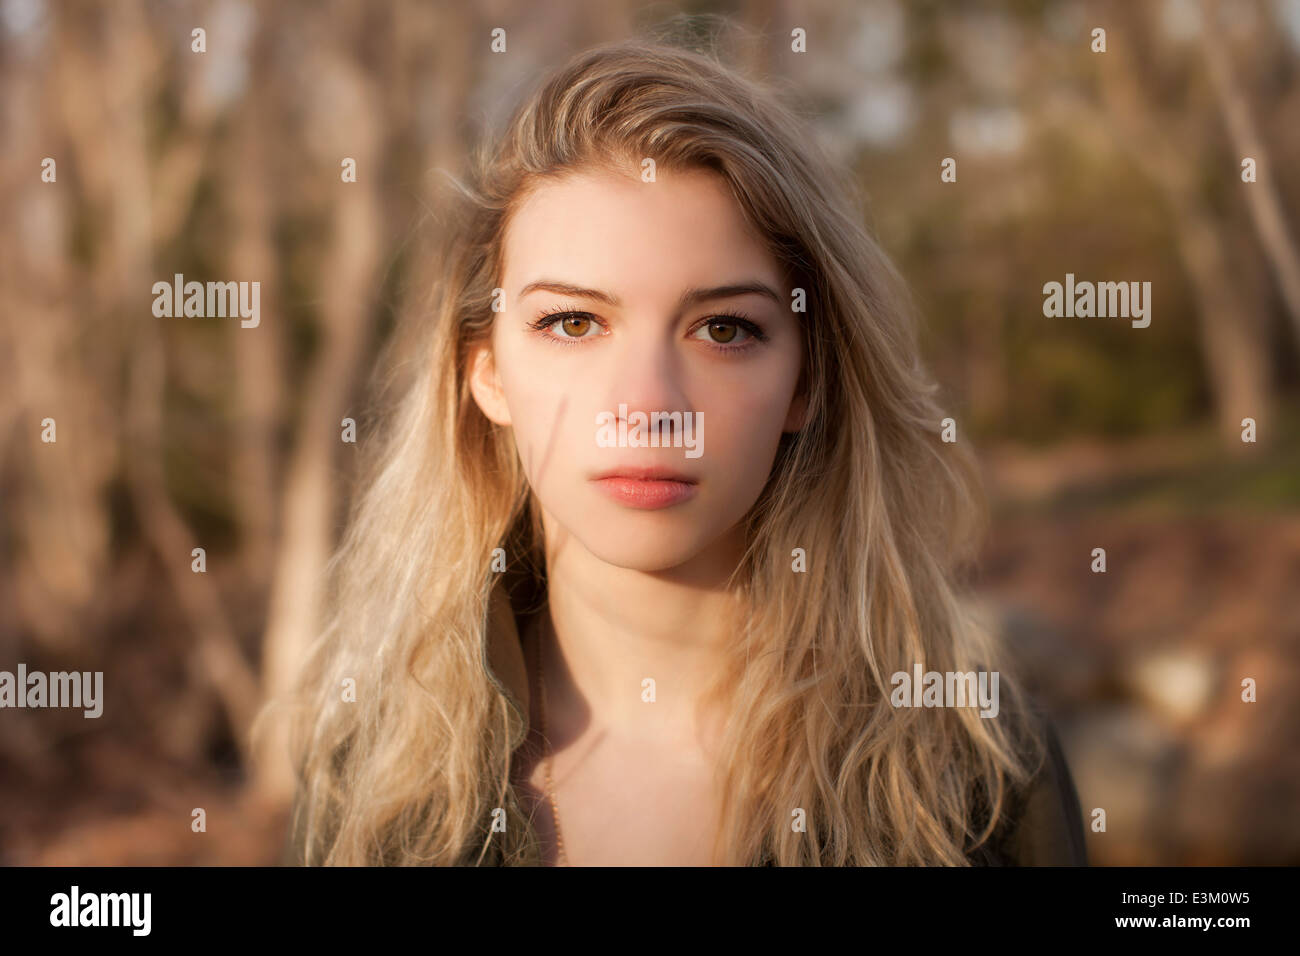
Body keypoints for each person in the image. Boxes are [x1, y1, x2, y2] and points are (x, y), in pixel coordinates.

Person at [276, 35, 1088, 866]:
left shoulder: (978, 777)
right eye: (572, 323)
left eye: (723, 329)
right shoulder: (371, 787)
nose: (648, 407)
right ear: (487, 377)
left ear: (805, 383)